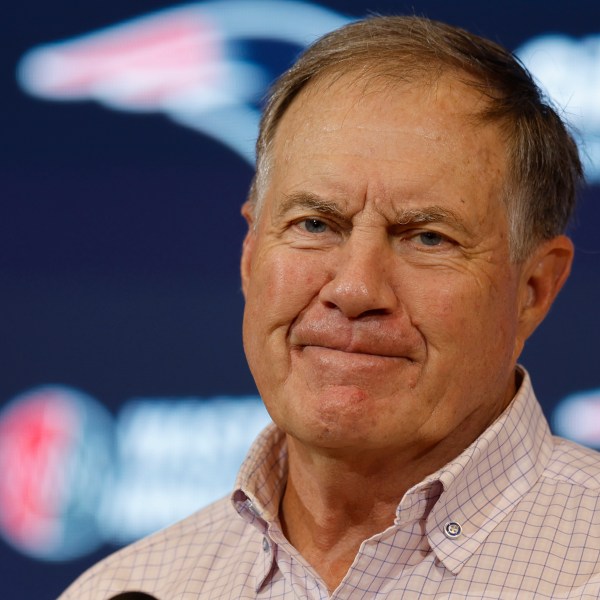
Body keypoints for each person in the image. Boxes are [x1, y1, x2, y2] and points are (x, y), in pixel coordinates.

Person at [60, 15, 600, 600]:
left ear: (534, 290)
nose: (355, 289)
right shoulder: (127, 589)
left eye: (427, 237)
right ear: (249, 255)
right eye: (314, 224)